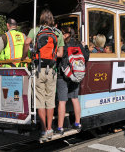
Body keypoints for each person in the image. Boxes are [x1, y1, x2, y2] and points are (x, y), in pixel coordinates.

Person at [21, 9, 64, 141]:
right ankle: (50, 129)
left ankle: (44, 130)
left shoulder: (35, 31)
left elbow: (27, 42)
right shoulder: (58, 33)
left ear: (41, 19)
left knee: (40, 100)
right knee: (50, 100)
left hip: (38, 69)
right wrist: (50, 55)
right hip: (51, 70)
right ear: (52, 20)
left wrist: (26, 56)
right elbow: (61, 54)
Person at [55, 27, 89, 135]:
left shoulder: (62, 44)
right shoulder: (78, 44)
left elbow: (58, 58)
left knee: (62, 101)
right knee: (75, 99)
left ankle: (60, 128)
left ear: (66, 34)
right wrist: (86, 47)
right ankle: (77, 123)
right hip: (76, 74)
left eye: (62, 32)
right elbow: (86, 57)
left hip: (63, 75)